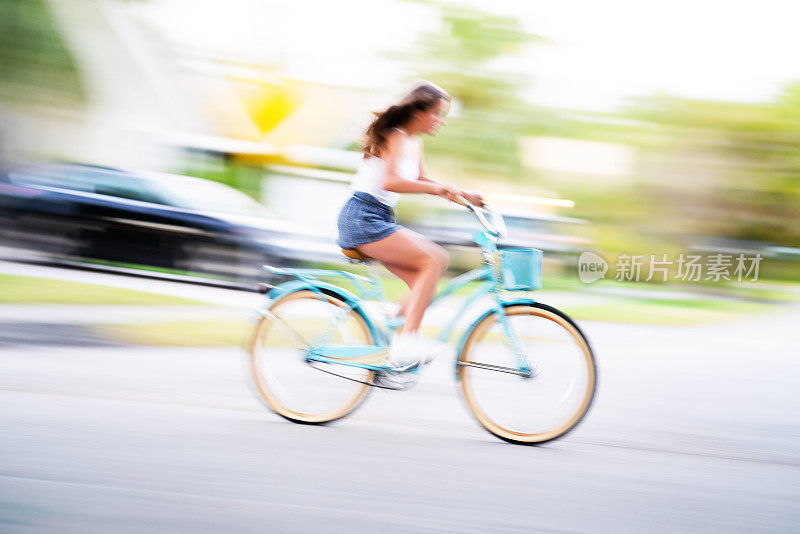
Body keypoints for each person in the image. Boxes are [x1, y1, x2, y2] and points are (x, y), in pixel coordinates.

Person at [337, 82, 485, 367]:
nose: (441, 121)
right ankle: (407, 341)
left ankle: (391, 337)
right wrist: (436, 190)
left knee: (424, 286)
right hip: (362, 216)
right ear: (419, 112)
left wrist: (465, 196)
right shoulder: (395, 136)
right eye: (438, 114)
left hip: (378, 216)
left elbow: (422, 179)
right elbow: (390, 181)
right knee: (435, 258)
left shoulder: (414, 142)